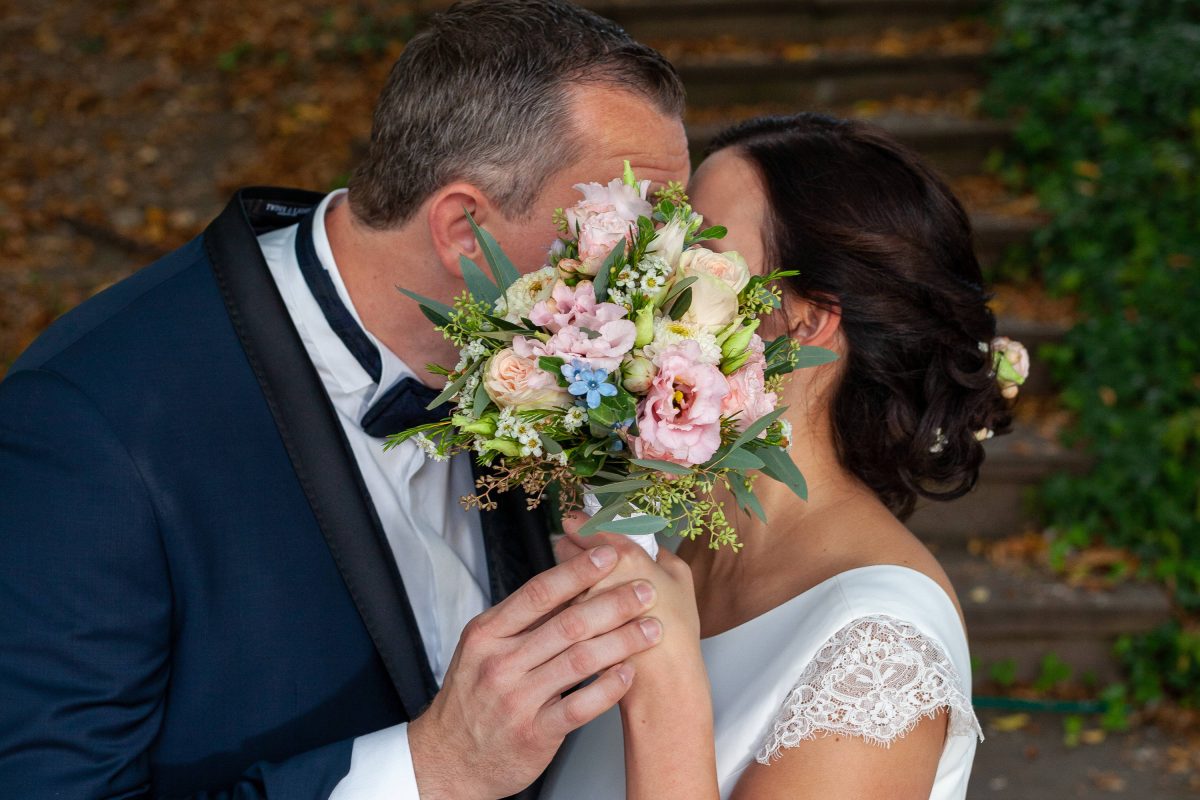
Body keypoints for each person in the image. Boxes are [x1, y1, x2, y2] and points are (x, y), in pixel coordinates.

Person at [0, 2, 690, 798]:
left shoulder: (563, 357)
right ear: (465, 230)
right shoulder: (87, 430)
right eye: (626, 231)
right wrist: (431, 770)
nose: (662, 276)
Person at [542, 113, 1014, 799]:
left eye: (696, 251)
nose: (639, 279)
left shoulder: (879, 651)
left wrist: (665, 683)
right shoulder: (667, 543)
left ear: (807, 320)